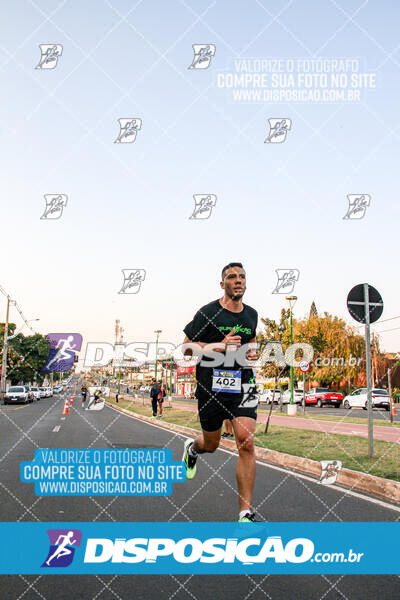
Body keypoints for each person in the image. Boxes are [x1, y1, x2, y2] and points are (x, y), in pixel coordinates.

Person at [182, 262, 259, 522]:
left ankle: (245, 515)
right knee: (211, 444)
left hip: (243, 383)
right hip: (211, 385)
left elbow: (251, 340)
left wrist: (252, 350)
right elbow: (186, 349)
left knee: (246, 443)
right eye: (231, 277)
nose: (238, 280)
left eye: (242, 277)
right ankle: (193, 449)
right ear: (222, 284)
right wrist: (219, 346)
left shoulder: (251, 315)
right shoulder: (208, 313)